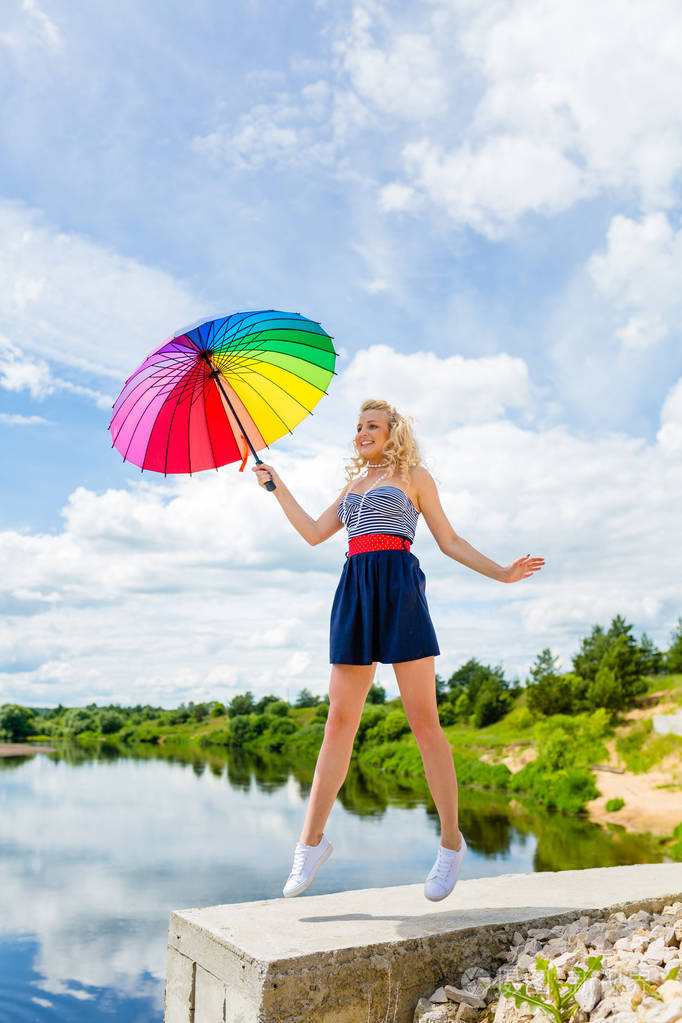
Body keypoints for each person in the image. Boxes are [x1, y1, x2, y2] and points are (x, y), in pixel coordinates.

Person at [253, 398, 545, 901]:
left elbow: (449, 540)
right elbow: (314, 534)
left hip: (399, 587)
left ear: (394, 432)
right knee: (338, 721)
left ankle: (452, 844)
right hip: (354, 589)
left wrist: (502, 572)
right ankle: (310, 842)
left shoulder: (414, 475)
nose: (363, 432)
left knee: (423, 721)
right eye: (359, 426)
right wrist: (276, 486)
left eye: (373, 426)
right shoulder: (352, 486)